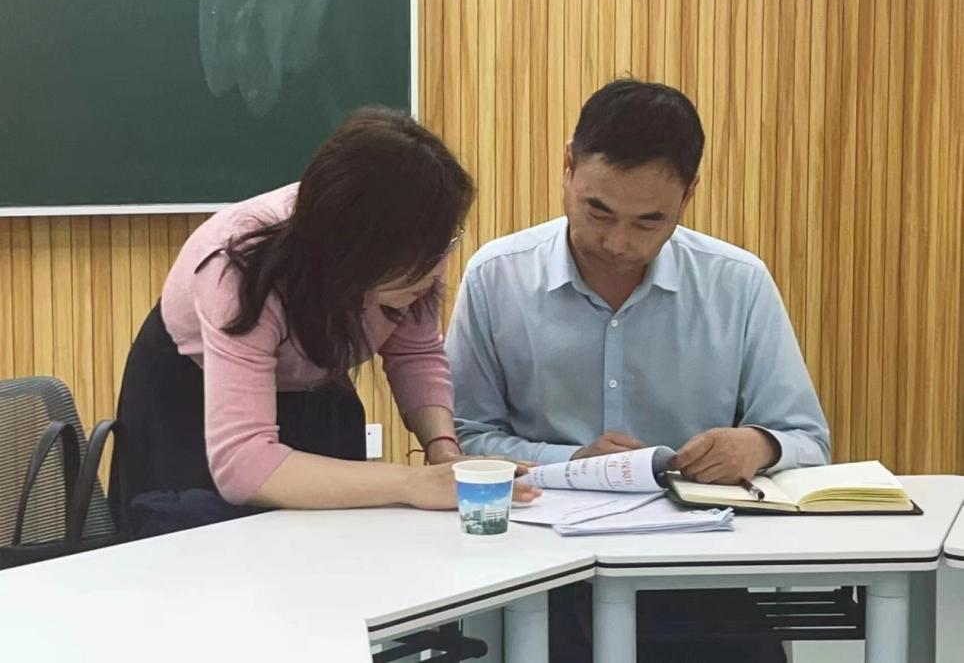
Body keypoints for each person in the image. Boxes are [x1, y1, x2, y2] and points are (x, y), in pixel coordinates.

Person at [446, 79, 830, 662]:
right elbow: (465, 441)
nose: (617, 242)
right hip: (538, 572)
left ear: (689, 194)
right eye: (597, 211)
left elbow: (807, 439)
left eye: (648, 222)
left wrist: (758, 445)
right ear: (568, 167)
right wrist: (572, 461)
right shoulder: (496, 277)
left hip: (699, 573)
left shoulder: (738, 284)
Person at [110, 106, 537, 538]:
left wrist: (444, 452)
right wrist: (412, 483)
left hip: (314, 386)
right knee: (207, 545)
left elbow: (415, 352)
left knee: (332, 543)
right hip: (193, 396)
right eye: (422, 261)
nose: (436, 268)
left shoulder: (419, 245)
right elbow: (243, 467)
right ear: (358, 257)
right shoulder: (238, 268)